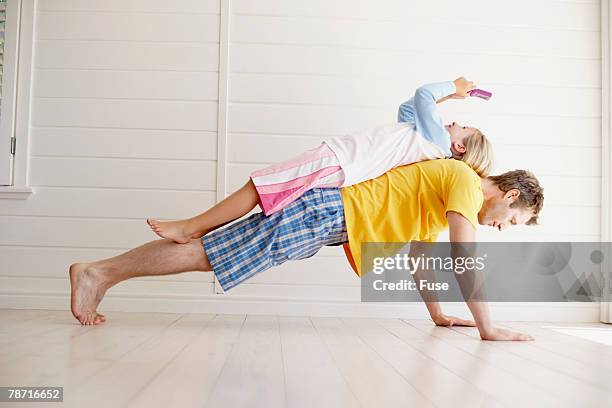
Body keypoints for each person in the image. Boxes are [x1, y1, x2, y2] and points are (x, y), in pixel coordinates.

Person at [68, 158, 544, 342]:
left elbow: (422, 260)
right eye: (513, 221)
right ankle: (98, 273)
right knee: (206, 253)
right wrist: (488, 328)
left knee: (209, 253)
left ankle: (101, 273)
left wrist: (438, 317)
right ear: (511, 195)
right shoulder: (463, 182)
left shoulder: (445, 194)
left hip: (325, 220)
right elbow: (465, 261)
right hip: (325, 214)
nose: (504, 227)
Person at [145, 77, 493, 244]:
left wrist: (454, 87)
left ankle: (192, 227)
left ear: (459, 148)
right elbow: (409, 107)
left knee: (261, 187)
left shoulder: (434, 142)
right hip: (337, 162)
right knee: (264, 190)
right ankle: (196, 227)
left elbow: (422, 95)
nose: (453, 122)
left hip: (338, 161)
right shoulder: (424, 137)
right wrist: (449, 97)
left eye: (459, 127)